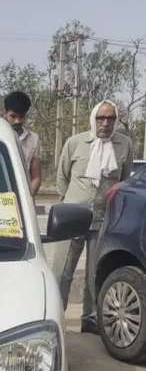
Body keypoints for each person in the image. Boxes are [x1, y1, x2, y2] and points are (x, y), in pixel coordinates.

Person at [57, 99, 133, 333]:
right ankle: (57, 317)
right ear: (93, 119)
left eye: (111, 118)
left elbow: (123, 179)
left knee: (94, 273)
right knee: (63, 271)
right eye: (101, 118)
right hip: (72, 217)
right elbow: (62, 178)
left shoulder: (124, 145)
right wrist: (72, 202)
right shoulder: (76, 143)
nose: (106, 123)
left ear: (116, 120)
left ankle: (89, 320)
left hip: (102, 219)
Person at [3, 91, 42, 197]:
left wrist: (26, 199)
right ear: (5, 114)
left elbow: (36, 178)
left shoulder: (33, 139)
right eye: (13, 116)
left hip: (23, 199)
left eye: (21, 116)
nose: (17, 121)